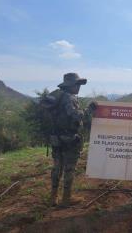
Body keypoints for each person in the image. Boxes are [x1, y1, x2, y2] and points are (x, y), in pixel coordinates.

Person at [41, 73, 97, 207]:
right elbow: (76, 116)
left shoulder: (57, 96)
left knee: (57, 167)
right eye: (77, 84)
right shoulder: (69, 98)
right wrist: (89, 109)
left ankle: (53, 198)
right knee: (69, 168)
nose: (79, 87)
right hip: (69, 139)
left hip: (56, 138)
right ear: (70, 85)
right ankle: (66, 199)